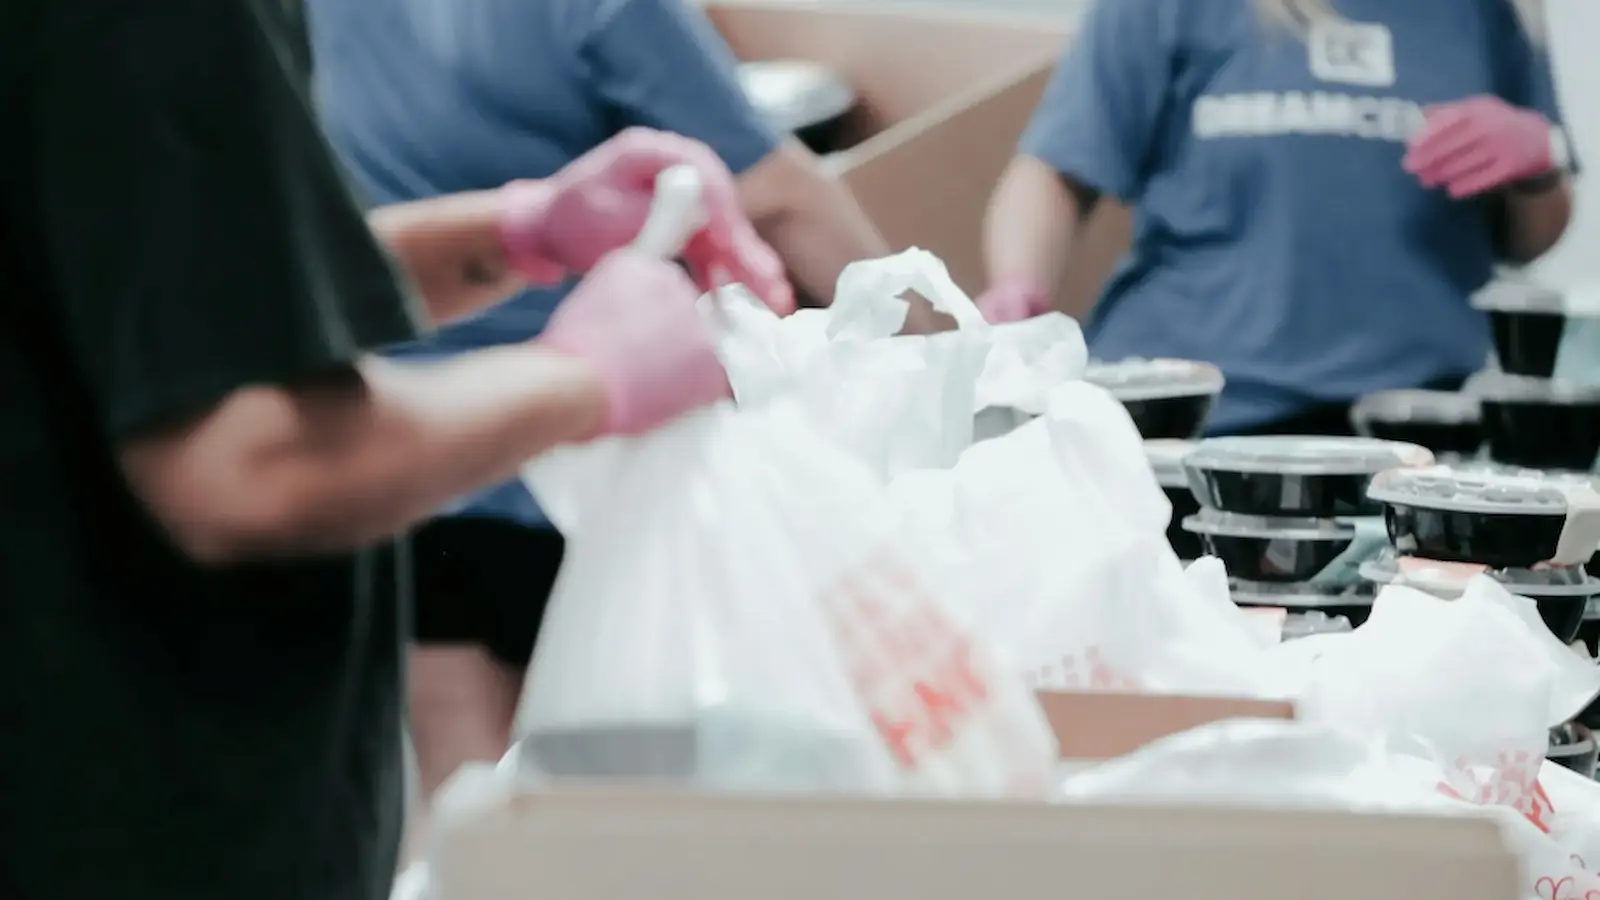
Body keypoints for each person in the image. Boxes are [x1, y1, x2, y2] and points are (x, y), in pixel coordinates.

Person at [0, 1, 789, 898]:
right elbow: (250, 466)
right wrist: (586, 376)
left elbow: (201, 288)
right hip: (140, 810)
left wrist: (517, 234)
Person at [304, 0, 910, 829]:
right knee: (618, 819)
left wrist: (525, 229)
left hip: (409, 455)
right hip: (584, 467)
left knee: (467, 810)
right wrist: (944, 350)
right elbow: (776, 195)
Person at [979, 0, 1576, 436]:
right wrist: (1018, 285)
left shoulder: (1485, 13)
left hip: (1417, 429)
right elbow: (1052, 176)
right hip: (1198, 420)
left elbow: (1528, 240)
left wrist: (1539, 166)